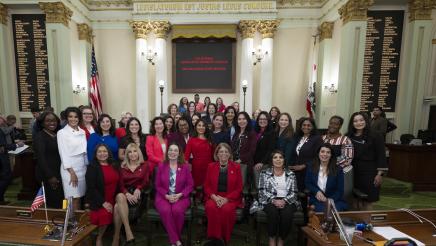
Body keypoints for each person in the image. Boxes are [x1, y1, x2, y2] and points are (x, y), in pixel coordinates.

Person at [258, 150, 300, 246]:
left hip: (287, 199)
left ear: (284, 160)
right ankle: (272, 237)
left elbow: (294, 192)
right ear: (271, 160)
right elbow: (261, 191)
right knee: (273, 212)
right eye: (275, 157)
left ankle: (281, 238)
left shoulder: (291, 174)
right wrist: (274, 200)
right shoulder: (264, 173)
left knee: (287, 214)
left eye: (280, 157)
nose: (278, 160)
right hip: (269, 199)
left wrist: (284, 200)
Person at [347, 112, 387, 210]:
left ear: (366, 121)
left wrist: (380, 174)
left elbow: (381, 155)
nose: (358, 123)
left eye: (361, 120)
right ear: (352, 123)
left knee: (368, 199)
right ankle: (355, 222)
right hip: (353, 171)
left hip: (370, 172)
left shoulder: (376, 135)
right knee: (354, 199)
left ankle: (367, 223)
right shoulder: (348, 136)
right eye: (355, 121)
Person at [155, 143, 194, 246]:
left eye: (175, 150)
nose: (172, 152)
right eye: (170, 150)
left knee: (177, 210)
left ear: (179, 153)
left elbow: (190, 185)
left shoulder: (185, 167)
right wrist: (166, 196)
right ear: (167, 152)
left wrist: (180, 195)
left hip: (181, 197)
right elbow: (157, 185)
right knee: (166, 210)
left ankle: (173, 239)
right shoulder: (161, 166)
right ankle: (176, 240)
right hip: (163, 197)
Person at [204, 143, 243, 243]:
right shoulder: (211, 166)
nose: (223, 154)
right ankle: (214, 239)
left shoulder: (236, 167)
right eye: (221, 151)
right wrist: (214, 197)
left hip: (230, 198)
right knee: (212, 207)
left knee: (226, 209)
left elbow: (239, 188)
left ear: (230, 154)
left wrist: (226, 199)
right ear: (217, 154)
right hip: (214, 196)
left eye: (226, 152)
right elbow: (207, 186)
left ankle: (224, 238)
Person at [113, 143, 149, 245]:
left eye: (135, 151)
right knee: (120, 196)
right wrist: (126, 193)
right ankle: (129, 233)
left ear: (139, 153)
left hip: (138, 195)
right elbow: (120, 184)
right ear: (127, 155)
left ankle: (115, 238)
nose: (133, 154)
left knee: (116, 207)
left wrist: (139, 188)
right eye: (130, 152)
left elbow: (146, 181)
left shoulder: (145, 165)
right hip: (124, 193)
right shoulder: (122, 167)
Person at [85, 144, 120, 246]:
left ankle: (105, 236)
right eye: (99, 152)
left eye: (104, 151)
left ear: (108, 153)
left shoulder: (114, 165)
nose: (102, 154)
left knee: (112, 211)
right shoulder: (92, 167)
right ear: (95, 154)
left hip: (113, 198)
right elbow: (91, 188)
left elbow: (119, 182)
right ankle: (99, 238)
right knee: (104, 214)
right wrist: (103, 203)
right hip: (99, 200)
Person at [57, 107, 88, 210]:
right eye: (70, 116)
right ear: (67, 118)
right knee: (72, 198)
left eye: (76, 117)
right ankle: (70, 222)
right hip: (69, 169)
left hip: (82, 168)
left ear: (79, 118)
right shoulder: (62, 133)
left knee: (79, 197)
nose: (73, 119)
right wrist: (72, 172)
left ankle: (76, 222)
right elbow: (63, 154)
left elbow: (84, 152)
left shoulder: (82, 131)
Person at [34, 112, 64, 208]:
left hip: (58, 172)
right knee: (53, 201)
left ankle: (62, 219)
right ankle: (55, 221)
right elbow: (41, 158)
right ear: (42, 123)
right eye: (48, 121)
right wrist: (50, 176)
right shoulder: (40, 136)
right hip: (48, 175)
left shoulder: (56, 135)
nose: (52, 123)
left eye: (54, 120)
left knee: (61, 199)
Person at [305, 143, 347, 212]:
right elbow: (308, 183)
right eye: (322, 151)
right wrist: (316, 191)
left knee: (334, 211)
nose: (325, 154)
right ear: (318, 153)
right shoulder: (311, 167)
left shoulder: (338, 169)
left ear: (331, 155)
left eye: (328, 152)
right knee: (322, 210)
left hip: (334, 200)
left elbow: (340, 190)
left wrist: (329, 200)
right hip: (317, 199)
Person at [290, 117, 322, 192]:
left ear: (313, 127)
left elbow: (319, 157)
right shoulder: (298, 137)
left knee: (306, 194)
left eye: (309, 125)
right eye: (304, 125)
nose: (306, 127)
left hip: (309, 171)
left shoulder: (317, 139)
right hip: (297, 171)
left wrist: (304, 165)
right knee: (297, 192)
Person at [0, 116, 24, 205]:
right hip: (2, 158)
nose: (3, 119)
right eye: (1, 117)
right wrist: (17, 146)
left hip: (3, 156)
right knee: (6, 177)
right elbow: (2, 147)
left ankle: (1, 200)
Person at [185, 119, 213, 187]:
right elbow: (186, 156)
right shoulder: (191, 140)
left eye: (203, 126)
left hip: (209, 167)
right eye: (199, 125)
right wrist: (186, 169)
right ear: (196, 127)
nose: (201, 127)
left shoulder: (210, 139)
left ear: (206, 127)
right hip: (196, 167)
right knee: (198, 187)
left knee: (208, 186)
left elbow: (213, 154)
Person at [231, 112, 257, 184]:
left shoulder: (252, 133)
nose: (241, 121)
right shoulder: (236, 133)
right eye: (239, 119)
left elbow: (252, 151)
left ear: (248, 120)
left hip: (245, 165)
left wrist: (240, 160)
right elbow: (232, 148)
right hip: (234, 164)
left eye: (244, 119)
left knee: (243, 185)